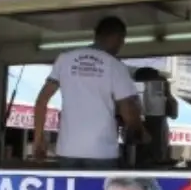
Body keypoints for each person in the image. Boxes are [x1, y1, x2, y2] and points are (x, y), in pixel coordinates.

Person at [30, 15, 145, 167]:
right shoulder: (115, 66)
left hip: (67, 151)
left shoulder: (65, 59)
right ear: (117, 37)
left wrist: (38, 139)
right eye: (122, 40)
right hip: (103, 152)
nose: (122, 44)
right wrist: (140, 131)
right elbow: (128, 109)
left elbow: (42, 100)